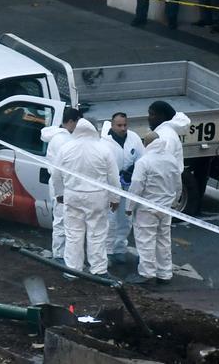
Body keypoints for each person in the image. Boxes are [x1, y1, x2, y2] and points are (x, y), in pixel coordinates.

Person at [51, 118, 121, 279]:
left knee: (73, 233)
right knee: (97, 233)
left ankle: (72, 270)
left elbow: (56, 174)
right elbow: (113, 177)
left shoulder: (65, 148)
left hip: (72, 195)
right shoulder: (103, 149)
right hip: (97, 196)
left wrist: (59, 194)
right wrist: (115, 198)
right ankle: (98, 269)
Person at [125, 132, 182, 285]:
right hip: (165, 208)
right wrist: (174, 203)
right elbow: (178, 184)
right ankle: (165, 273)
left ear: (146, 144)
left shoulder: (144, 161)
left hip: (147, 209)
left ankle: (147, 273)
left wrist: (129, 207)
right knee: (163, 240)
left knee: (146, 241)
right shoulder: (171, 160)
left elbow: (136, 186)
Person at [102, 112, 144, 265]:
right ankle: (107, 251)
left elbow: (142, 158)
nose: (123, 128)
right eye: (119, 125)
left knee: (126, 219)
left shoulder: (134, 138)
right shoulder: (104, 141)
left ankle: (120, 249)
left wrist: (133, 170)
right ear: (112, 125)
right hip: (110, 186)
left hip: (128, 184)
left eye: (125, 125)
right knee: (110, 219)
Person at [40, 108, 81, 265]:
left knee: (64, 219)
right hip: (62, 184)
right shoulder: (62, 140)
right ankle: (59, 254)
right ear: (70, 122)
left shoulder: (62, 137)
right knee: (61, 219)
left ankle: (62, 253)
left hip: (64, 183)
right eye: (77, 123)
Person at [147, 101, 191, 174]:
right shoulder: (164, 132)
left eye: (152, 114)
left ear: (162, 116)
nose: (148, 118)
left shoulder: (166, 137)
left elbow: (162, 165)